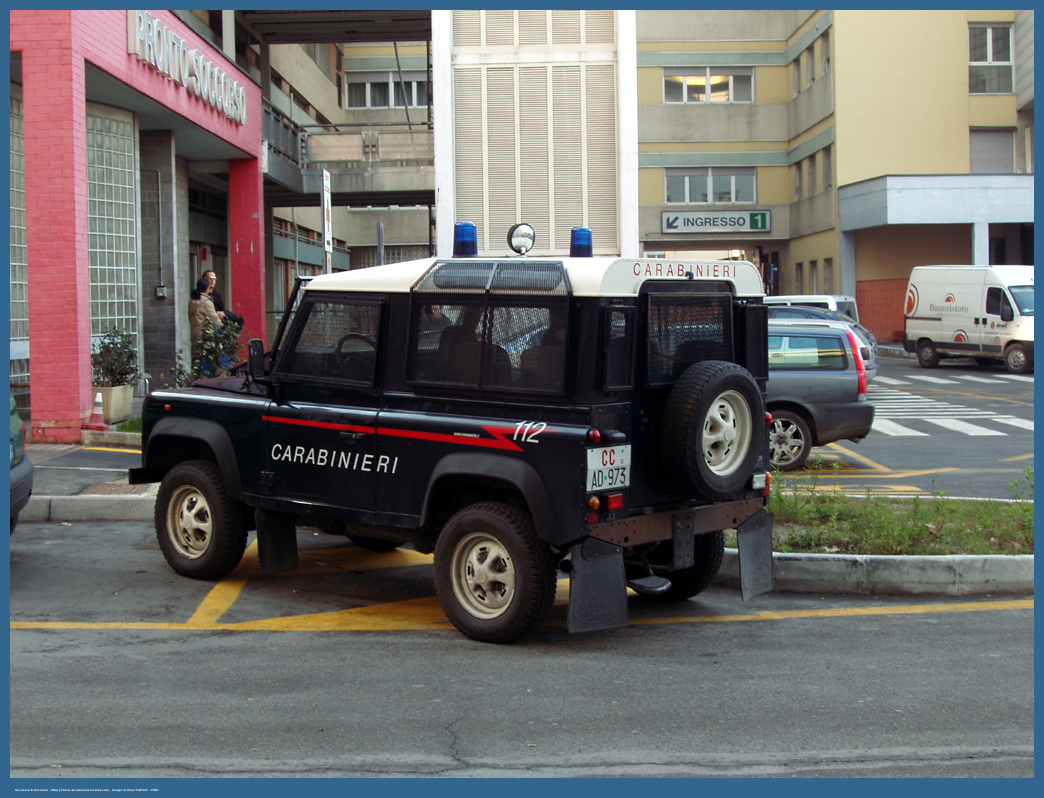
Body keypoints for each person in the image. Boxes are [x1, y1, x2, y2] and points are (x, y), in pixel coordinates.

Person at [189, 277, 224, 375]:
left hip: (196, 339)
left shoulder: (192, 301)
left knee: (198, 367)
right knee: (210, 369)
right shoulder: (206, 302)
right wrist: (221, 319)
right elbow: (215, 321)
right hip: (207, 340)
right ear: (207, 289)